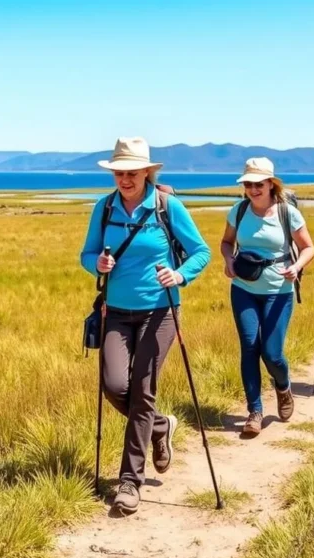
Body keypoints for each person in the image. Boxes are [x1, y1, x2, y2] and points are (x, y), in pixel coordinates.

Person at [79, 137, 211, 514]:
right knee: (114, 385)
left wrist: (180, 275)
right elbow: (87, 253)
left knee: (141, 391)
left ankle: (129, 482)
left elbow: (200, 251)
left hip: (160, 311)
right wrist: (97, 265)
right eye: (119, 172)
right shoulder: (104, 209)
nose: (124, 178)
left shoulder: (167, 207)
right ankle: (159, 427)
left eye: (132, 172)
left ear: (146, 173)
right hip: (116, 311)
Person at [221, 158, 314, 436]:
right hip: (243, 290)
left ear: (271, 184)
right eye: (248, 184)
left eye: (258, 184)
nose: (252, 189)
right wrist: (229, 261)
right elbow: (227, 243)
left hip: (279, 292)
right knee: (249, 346)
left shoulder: (288, 213)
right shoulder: (238, 211)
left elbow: (308, 247)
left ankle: (283, 388)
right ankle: (255, 411)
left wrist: (297, 267)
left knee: (272, 354)